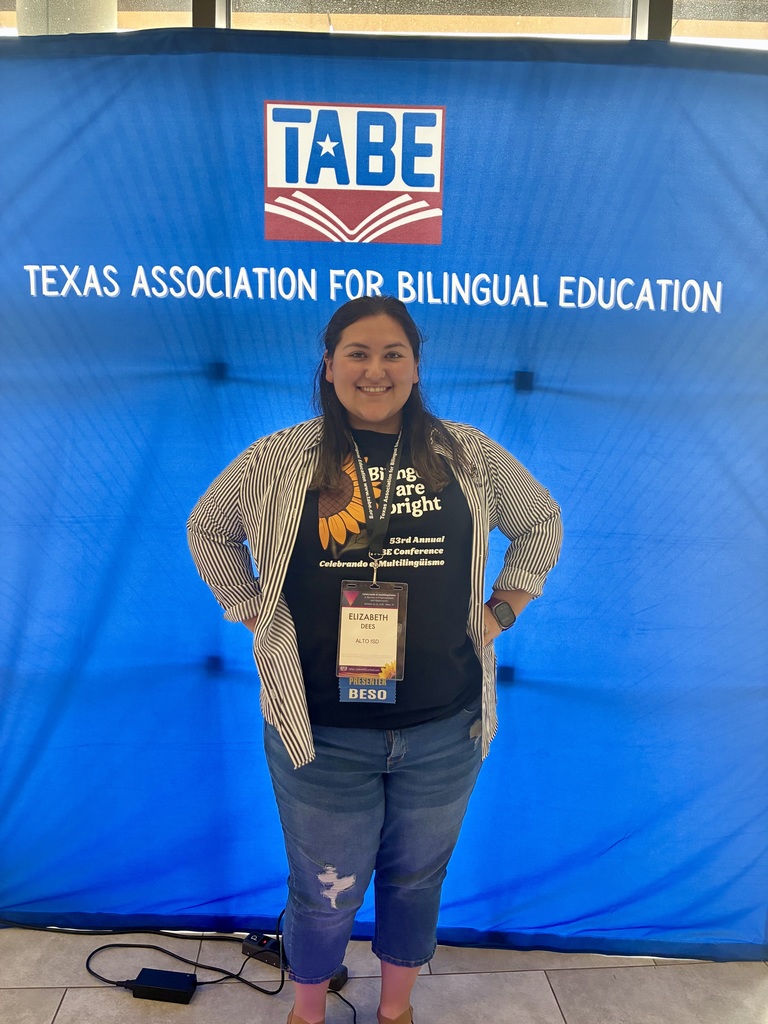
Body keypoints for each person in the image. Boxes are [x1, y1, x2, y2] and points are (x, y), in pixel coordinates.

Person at [187, 296, 562, 1024]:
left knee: (417, 881)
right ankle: (307, 1011)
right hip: (319, 733)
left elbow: (539, 520)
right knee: (324, 890)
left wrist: (503, 609)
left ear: (417, 368)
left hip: (443, 730)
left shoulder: (468, 455)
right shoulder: (278, 458)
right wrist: (251, 607)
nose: (375, 369)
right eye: (357, 352)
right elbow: (209, 526)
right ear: (328, 367)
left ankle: (396, 1010)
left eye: (394, 353)